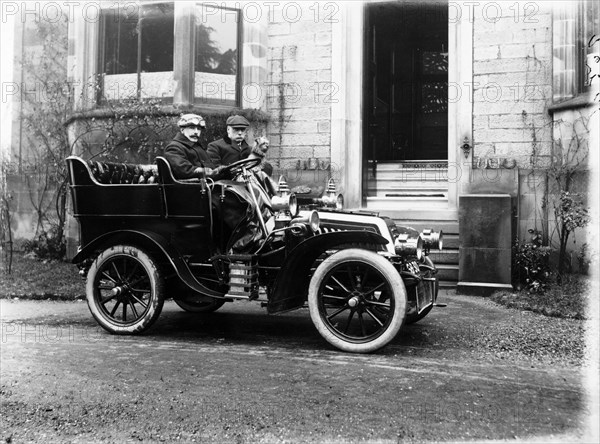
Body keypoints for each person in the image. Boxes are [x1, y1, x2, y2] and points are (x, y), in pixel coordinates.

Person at [163, 113, 224, 180]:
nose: (196, 132)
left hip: (205, 186)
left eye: (199, 129)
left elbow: (211, 168)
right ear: (182, 130)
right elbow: (185, 170)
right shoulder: (174, 147)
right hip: (189, 188)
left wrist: (220, 170)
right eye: (192, 128)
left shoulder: (197, 147)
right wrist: (209, 172)